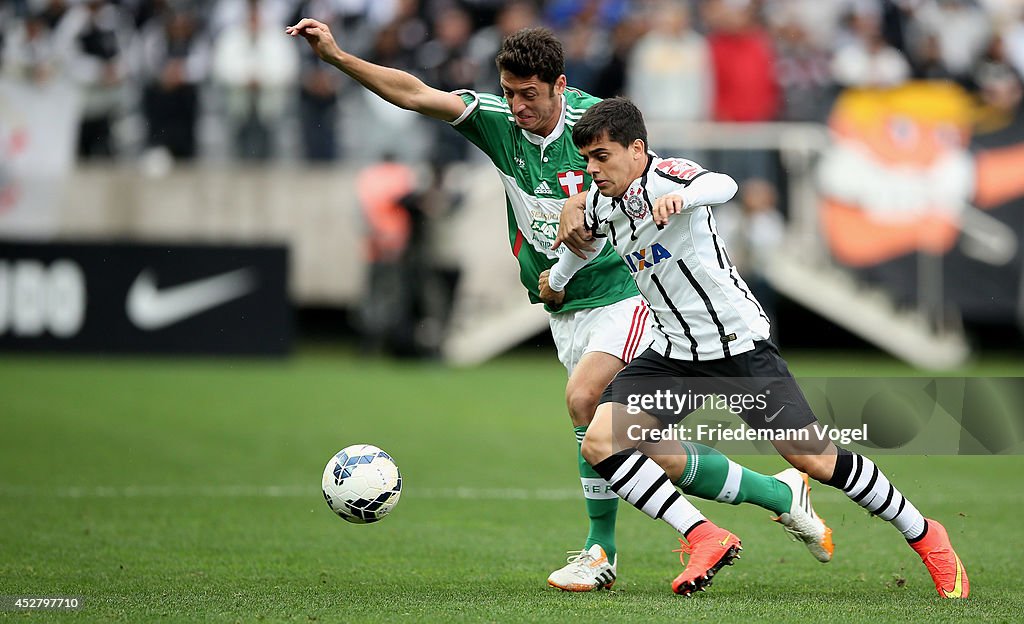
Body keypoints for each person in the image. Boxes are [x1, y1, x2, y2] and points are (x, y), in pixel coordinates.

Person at [286, 21, 832, 592]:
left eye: (530, 94)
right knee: (638, 449)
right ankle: (777, 492)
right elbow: (416, 93)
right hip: (560, 300)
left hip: (625, 290)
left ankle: (613, 549)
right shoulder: (498, 123)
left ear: (560, 86)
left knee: (583, 401)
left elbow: (646, 173)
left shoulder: (593, 123)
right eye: (508, 92)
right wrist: (338, 56)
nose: (517, 106)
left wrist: (594, 201)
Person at [542, 96, 970, 598]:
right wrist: (559, 281)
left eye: (602, 156)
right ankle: (705, 536)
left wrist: (686, 197)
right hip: (676, 354)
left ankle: (927, 536)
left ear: (636, 150)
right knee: (600, 442)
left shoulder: (669, 176)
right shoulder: (599, 202)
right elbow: (583, 241)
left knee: (815, 459)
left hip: (737, 347)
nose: (593, 169)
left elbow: (723, 184)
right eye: (588, 159)